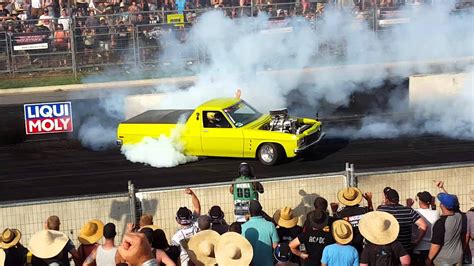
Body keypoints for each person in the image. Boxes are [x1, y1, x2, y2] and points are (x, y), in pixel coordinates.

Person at [377, 187, 427, 253]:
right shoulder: (408, 210)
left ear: (387, 199)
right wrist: (416, 242)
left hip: (387, 250)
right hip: (405, 249)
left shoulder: (381, 210)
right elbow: (424, 226)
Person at [426, 193, 468, 265]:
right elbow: (454, 203)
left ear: (442, 206)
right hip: (458, 256)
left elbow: (436, 245)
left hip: (443, 260)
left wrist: (429, 259)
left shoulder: (440, 223)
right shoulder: (459, 216)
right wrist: (442, 188)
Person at [334, 187, 373, 253]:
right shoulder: (363, 210)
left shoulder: (341, 213)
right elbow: (371, 215)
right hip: (361, 242)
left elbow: (336, 224)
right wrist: (369, 200)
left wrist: (334, 211)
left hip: (347, 243)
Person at [241, 200, 279, 266]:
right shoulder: (270, 225)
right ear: (261, 210)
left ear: (249, 212)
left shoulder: (243, 227)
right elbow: (275, 247)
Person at [170, 188, 201, 266]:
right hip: (200, 260)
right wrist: (192, 194)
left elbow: (175, 255)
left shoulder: (175, 237)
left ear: (177, 220)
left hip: (185, 263)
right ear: (190, 217)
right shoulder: (196, 224)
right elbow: (197, 208)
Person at [411, 191, 439, 265]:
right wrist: (432, 203)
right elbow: (432, 210)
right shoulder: (436, 213)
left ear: (420, 201)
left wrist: (408, 206)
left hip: (418, 248)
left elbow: (408, 214)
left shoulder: (415, 212)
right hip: (431, 249)